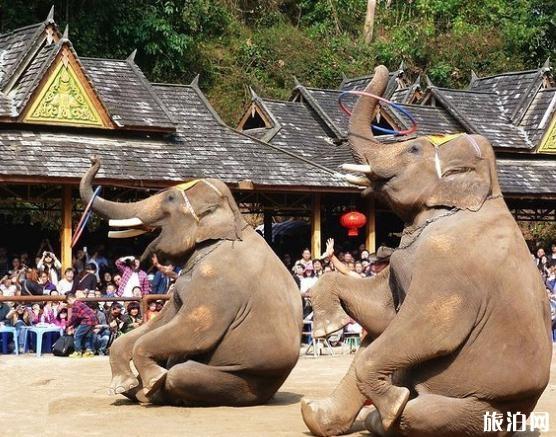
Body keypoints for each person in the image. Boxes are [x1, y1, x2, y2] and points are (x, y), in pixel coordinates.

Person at [66, 292, 98, 358]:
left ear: (70, 299)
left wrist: (67, 324)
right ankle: (89, 352)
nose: (69, 304)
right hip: (93, 321)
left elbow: (74, 318)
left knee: (77, 335)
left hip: (87, 321)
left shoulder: (75, 305)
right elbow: (78, 318)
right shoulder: (80, 303)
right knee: (87, 336)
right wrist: (73, 326)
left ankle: (78, 352)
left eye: (68, 302)